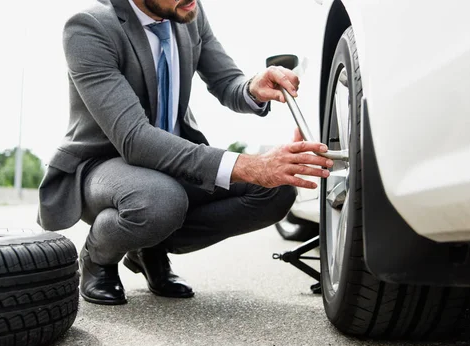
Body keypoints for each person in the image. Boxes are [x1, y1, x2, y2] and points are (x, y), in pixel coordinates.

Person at [37, 0, 333, 305]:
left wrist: (252, 87)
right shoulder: (89, 27)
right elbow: (134, 139)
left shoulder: (188, 9)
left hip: (172, 164)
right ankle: (98, 256)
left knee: (276, 189)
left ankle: (148, 248)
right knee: (160, 200)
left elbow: (227, 82)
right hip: (105, 166)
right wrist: (248, 165)